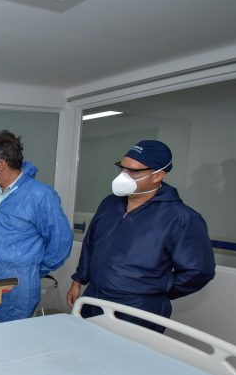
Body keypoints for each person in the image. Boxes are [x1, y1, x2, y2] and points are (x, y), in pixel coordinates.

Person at [67, 140, 216, 332]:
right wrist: (78, 281)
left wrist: (155, 288)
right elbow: (91, 245)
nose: (123, 176)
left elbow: (198, 271)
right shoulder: (110, 204)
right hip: (94, 297)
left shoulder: (180, 217)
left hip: (138, 307)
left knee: (127, 359)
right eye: (122, 168)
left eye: (134, 171)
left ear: (158, 176)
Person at [0, 130, 73, 325]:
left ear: (0, 164)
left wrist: (32, 270)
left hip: (17, 289)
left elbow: (61, 240)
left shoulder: (40, 195)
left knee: (12, 344)